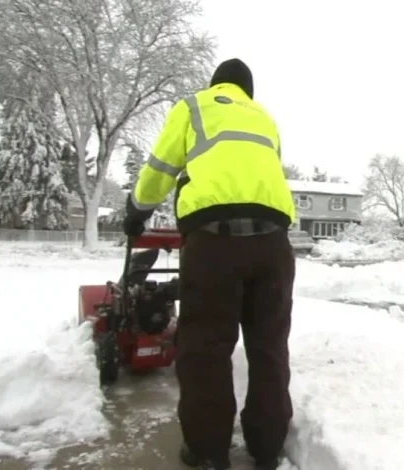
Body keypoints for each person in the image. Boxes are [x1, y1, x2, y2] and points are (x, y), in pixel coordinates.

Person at [122, 58, 296, 470]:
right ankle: (267, 448)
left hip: (215, 243)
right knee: (269, 347)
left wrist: (137, 211)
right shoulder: (265, 118)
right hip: (273, 244)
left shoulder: (195, 107)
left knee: (206, 347)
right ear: (247, 91)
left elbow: (160, 169)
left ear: (215, 85)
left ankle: (208, 451)